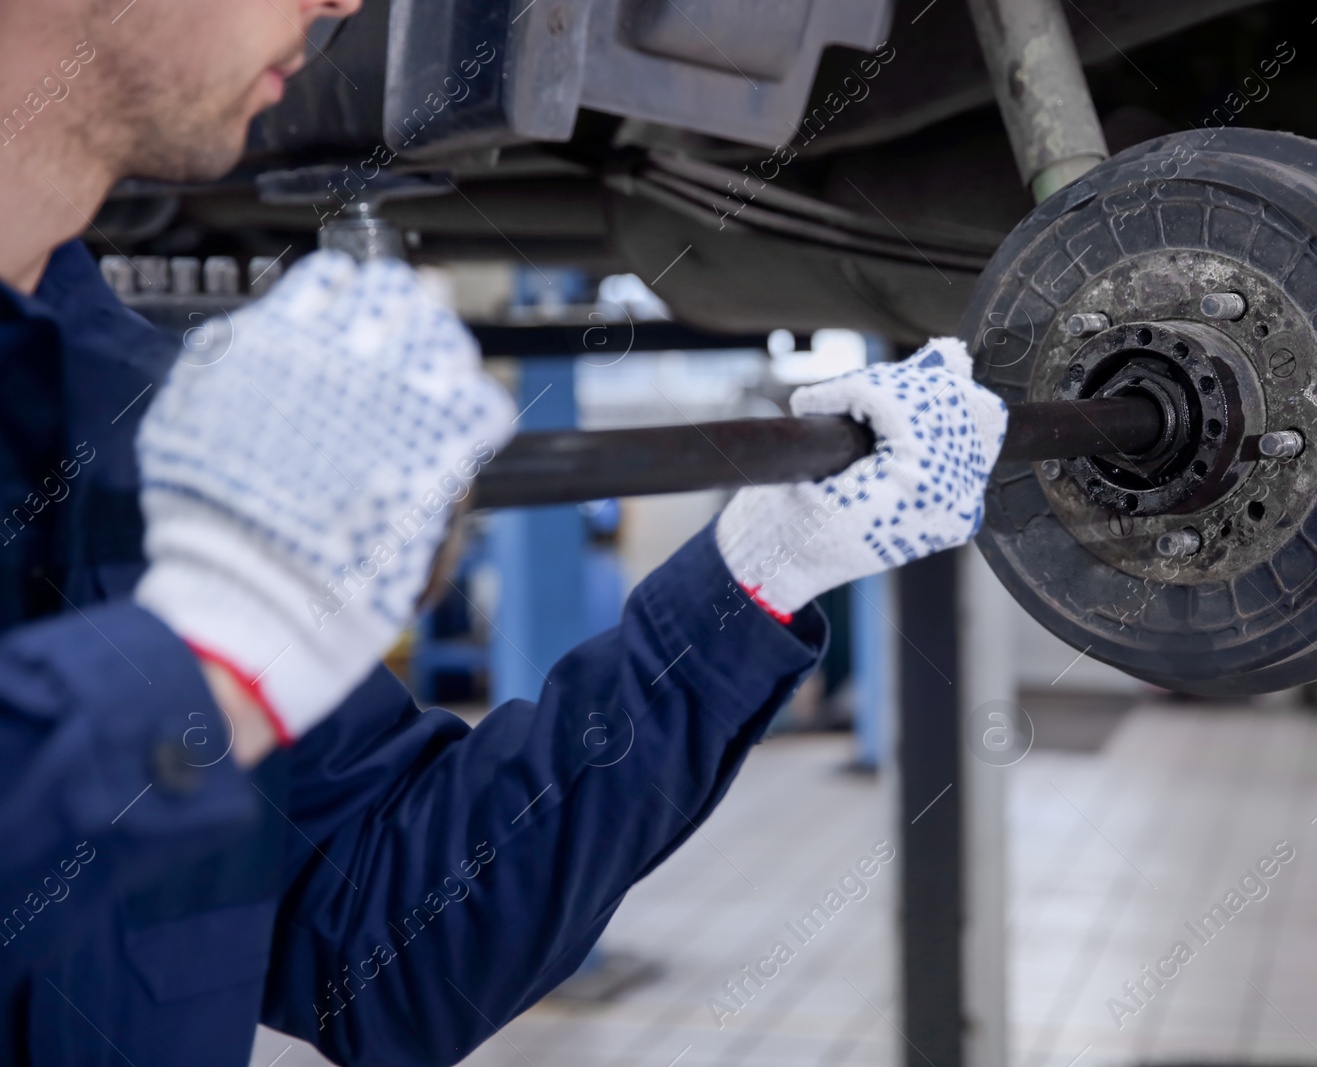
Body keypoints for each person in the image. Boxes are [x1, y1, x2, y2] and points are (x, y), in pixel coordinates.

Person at [0, 0, 1008, 1063]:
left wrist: (753, 576)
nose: (346, 0)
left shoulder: (131, 416)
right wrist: (205, 665)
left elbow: (389, 946)